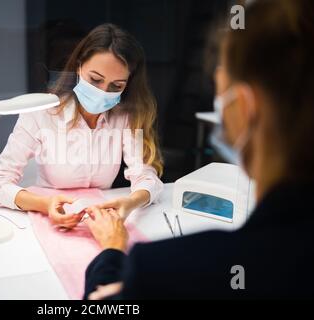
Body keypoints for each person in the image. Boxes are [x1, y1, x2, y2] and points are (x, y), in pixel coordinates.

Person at [83, 0, 314, 299]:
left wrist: (112, 253)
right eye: (95, 80)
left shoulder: (170, 269)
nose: (103, 93)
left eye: (221, 90)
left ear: (243, 108)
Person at [0, 24, 164, 229]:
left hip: (99, 220)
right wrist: (45, 205)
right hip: (45, 219)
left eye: (117, 86)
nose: (103, 92)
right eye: (95, 79)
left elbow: (145, 176)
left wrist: (130, 203)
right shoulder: (40, 112)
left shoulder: (126, 117)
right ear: (79, 68)